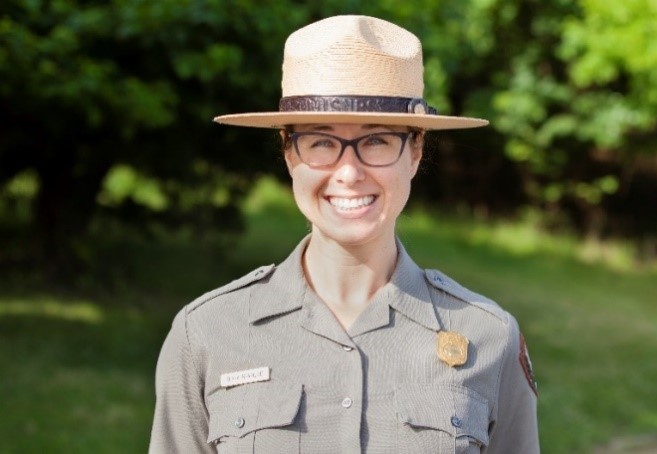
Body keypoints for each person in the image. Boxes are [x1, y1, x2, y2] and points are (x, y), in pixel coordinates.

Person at [150, 15, 539, 453]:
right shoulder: (206, 332)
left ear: (415, 151)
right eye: (320, 141)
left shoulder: (488, 337)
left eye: (376, 141)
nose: (349, 173)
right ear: (288, 152)